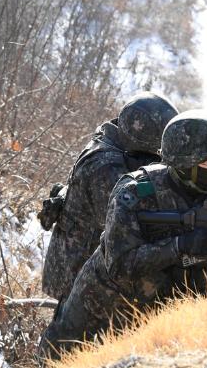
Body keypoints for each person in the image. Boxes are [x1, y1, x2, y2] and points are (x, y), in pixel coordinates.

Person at [38, 111, 207, 360]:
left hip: (172, 326)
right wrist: (181, 246)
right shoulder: (137, 194)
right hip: (102, 314)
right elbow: (120, 265)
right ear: (184, 166)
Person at [38, 92, 178, 301]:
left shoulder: (117, 139)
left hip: (87, 265)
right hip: (76, 275)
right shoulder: (105, 166)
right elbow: (123, 222)